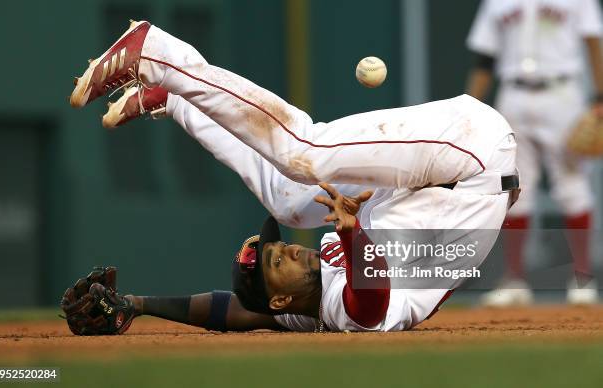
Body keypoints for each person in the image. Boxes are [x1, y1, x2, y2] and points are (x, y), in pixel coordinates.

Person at [65, 20, 519, 333]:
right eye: (277, 262)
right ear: (282, 300)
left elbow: (233, 310)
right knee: (305, 152)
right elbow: (371, 304)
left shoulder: (301, 302)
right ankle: (158, 54)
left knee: (288, 199)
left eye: (276, 250)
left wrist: (138, 305)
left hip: (445, 177)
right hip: (473, 161)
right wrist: (353, 234)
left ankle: (181, 97)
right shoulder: (338, 308)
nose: (287, 251)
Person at [466, 0, 603, 306]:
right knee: (514, 189)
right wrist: (469, 105)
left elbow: (594, 41)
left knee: (572, 186)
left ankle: (583, 281)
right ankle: (514, 280)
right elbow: (484, 58)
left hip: (563, 94)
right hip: (512, 93)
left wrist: (601, 95)